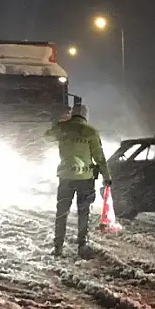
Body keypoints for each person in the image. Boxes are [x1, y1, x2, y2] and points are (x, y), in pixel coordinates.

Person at [45, 104, 110, 259]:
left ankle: (58, 246)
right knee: (83, 212)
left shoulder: (62, 128)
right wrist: (106, 177)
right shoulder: (91, 132)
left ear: (72, 114)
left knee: (62, 212)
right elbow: (99, 157)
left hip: (66, 177)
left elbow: (47, 136)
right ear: (85, 116)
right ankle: (82, 245)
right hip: (85, 178)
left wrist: (60, 123)